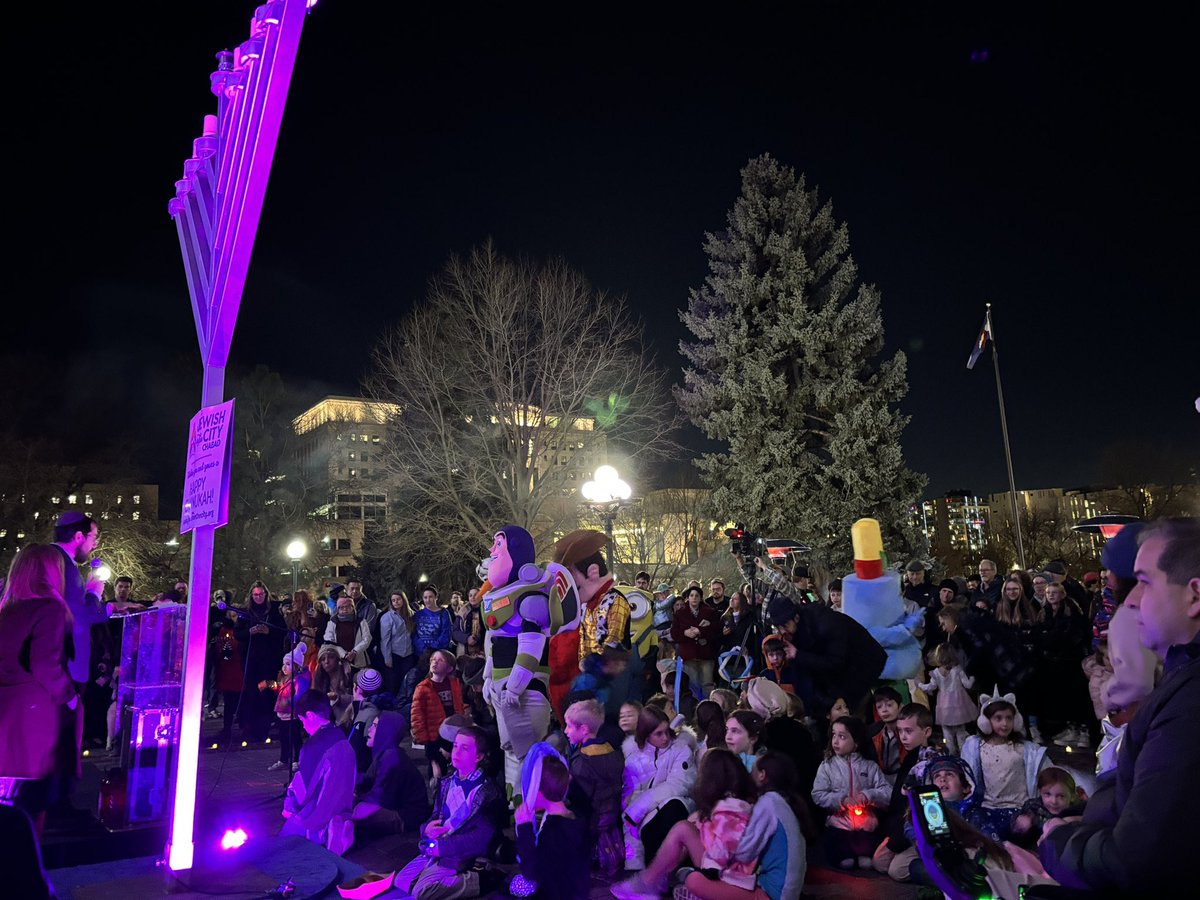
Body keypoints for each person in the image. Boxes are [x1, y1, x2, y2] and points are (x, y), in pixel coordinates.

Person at [1034, 518, 1200, 894]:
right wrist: (1086, 821)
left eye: (1144, 581)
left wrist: (1058, 845)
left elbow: (1139, 861)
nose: (1133, 600)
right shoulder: (1182, 679)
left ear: (1194, 595)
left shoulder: (1188, 705)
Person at [0, 544, 78, 836]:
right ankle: (24, 870)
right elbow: (45, 665)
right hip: (33, 716)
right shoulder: (49, 608)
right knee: (31, 806)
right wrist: (70, 698)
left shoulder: (8, 610)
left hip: (6, 712)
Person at [613, 748, 757, 900]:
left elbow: (720, 854)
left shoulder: (729, 811)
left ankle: (649, 881)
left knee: (683, 829)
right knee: (685, 827)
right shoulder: (736, 804)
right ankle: (656, 879)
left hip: (726, 874)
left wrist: (703, 828)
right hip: (728, 870)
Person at [393, 726, 504, 899]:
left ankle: (480, 879)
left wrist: (442, 847)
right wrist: (426, 830)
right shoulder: (446, 783)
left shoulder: (486, 792)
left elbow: (481, 837)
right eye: (456, 746)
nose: (456, 752)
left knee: (422, 892)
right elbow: (435, 817)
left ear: (479, 756)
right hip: (438, 848)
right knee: (401, 882)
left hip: (461, 853)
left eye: (465, 748)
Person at [959, 691, 1048, 841]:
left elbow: (1047, 771)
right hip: (988, 808)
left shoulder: (1024, 749)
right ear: (986, 721)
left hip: (1019, 808)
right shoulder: (976, 747)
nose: (1004, 723)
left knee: (1024, 829)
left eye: (1009, 718)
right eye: (998, 718)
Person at [622, 704, 698, 870]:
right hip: (649, 820)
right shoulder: (633, 759)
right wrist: (633, 864)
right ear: (646, 735)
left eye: (667, 731)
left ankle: (666, 873)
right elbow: (629, 809)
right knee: (644, 826)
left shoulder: (680, 749)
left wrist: (641, 806)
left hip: (678, 809)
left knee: (672, 807)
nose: (665, 738)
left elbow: (679, 784)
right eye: (658, 733)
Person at [811, 715, 891, 869]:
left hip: (866, 826)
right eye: (834, 735)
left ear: (856, 742)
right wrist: (841, 800)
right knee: (843, 857)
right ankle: (848, 856)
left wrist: (868, 796)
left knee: (867, 859)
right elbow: (818, 794)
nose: (835, 741)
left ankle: (861, 854)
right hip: (839, 824)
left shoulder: (869, 766)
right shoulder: (827, 766)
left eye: (842, 736)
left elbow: (887, 791)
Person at [281, 689, 356, 852]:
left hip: (321, 809)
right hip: (344, 804)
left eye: (302, 721)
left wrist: (289, 804)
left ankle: (324, 834)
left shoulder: (313, 746)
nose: (304, 726)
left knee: (287, 839)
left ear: (311, 715)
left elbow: (304, 787)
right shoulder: (342, 736)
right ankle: (340, 824)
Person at [513, 752, 589, 900]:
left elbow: (531, 872)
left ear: (538, 791)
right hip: (577, 892)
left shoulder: (553, 831)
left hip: (556, 894)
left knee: (513, 886)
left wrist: (524, 828)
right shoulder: (577, 816)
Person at [870, 703, 934, 876]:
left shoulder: (929, 762)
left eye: (909, 731)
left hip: (919, 830)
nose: (903, 737)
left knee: (893, 869)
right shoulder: (911, 757)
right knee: (881, 862)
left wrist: (898, 839)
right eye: (900, 731)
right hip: (903, 825)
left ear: (926, 732)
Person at [564, 698, 625, 876]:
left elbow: (579, 799)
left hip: (593, 820)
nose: (566, 731)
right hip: (611, 813)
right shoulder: (611, 751)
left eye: (569, 726)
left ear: (583, 729)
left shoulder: (582, 762)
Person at [351, 711, 430, 837]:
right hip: (395, 806)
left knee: (352, 814)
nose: (370, 729)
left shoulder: (391, 757)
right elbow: (368, 780)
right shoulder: (386, 753)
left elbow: (380, 798)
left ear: (385, 731)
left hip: (406, 816)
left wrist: (353, 801)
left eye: (375, 726)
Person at [237, 581, 286, 742]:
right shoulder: (245, 612)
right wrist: (249, 632)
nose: (258, 597)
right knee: (251, 693)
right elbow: (238, 634)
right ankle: (249, 728)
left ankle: (265, 728)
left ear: (266, 595)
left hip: (269, 659)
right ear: (251, 596)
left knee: (267, 692)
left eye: (261, 594)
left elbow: (282, 632)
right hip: (251, 659)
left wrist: (269, 631)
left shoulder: (274, 611)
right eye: (255, 595)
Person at [411, 648, 465, 782]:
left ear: (449, 667)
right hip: (434, 736)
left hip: (453, 734)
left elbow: (458, 706)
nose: (435, 662)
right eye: (433, 660)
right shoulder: (423, 688)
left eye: (440, 660)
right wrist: (424, 740)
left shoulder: (454, 684)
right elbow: (417, 717)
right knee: (437, 774)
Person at [918, 643, 976, 753]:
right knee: (960, 732)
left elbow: (930, 687)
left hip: (944, 708)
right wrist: (972, 678)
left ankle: (950, 754)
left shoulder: (936, 673)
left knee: (947, 734)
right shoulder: (958, 670)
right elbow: (967, 685)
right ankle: (964, 754)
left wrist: (920, 685)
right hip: (959, 706)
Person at [1008, 766, 1085, 848]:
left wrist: (1076, 819)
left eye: (1061, 796)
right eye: (1047, 794)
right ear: (1040, 792)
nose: (1054, 801)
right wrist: (1020, 827)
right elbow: (1014, 836)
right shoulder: (1033, 808)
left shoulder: (1076, 811)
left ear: (1072, 796)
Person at [265, 642, 311, 772]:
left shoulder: (299, 680)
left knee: (295, 738)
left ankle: (297, 759)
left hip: (293, 714)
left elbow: (299, 695)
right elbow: (280, 690)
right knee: (283, 737)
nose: (285, 667)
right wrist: (271, 686)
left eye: (288, 664)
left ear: (296, 666)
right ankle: (284, 759)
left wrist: (289, 701)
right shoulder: (285, 679)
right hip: (282, 714)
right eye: (284, 664)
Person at [212, 606, 245, 742]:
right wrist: (224, 652)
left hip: (240, 670)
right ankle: (227, 729)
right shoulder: (224, 631)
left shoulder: (242, 630)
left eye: (236, 616)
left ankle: (242, 728)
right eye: (231, 616)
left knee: (240, 702)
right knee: (229, 702)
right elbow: (221, 652)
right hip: (228, 671)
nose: (234, 618)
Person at [867, 686, 906, 784]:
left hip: (904, 779)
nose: (884, 710)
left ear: (900, 706)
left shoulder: (908, 730)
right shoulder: (873, 732)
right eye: (879, 707)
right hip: (880, 780)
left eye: (889, 705)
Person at [380, 589, 417, 695]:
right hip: (395, 654)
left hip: (409, 654)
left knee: (408, 681)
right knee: (394, 683)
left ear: (403, 600)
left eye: (398, 599)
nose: (396, 602)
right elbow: (385, 639)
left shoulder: (411, 615)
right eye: (393, 600)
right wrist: (387, 658)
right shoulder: (387, 617)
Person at [325, 593, 372, 670]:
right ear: (338, 609)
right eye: (342, 607)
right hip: (338, 661)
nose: (345, 609)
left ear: (353, 608)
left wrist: (354, 652)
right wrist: (344, 654)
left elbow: (367, 638)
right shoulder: (332, 622)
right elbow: (329, 641)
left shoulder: (361, 621)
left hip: (359, 661)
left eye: (348, 607)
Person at [413, 585, 453, 656]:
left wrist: (433, 648)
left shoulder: (444, 613)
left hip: (438, 653)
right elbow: (414, 634)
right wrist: (423, 648)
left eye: (430, 597)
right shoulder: (418, 614)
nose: (428, 600)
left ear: (436, 597)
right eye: (425, 597)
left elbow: (446, 633)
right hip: (421, 654)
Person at [450, 586, 484, 659]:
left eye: (475, 595)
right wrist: (466, 638)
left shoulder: (486, 610)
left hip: (483, 650)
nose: (473, 597)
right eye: (470, 595)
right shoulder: (462, 612)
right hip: (465, 652)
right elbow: (454, 631)